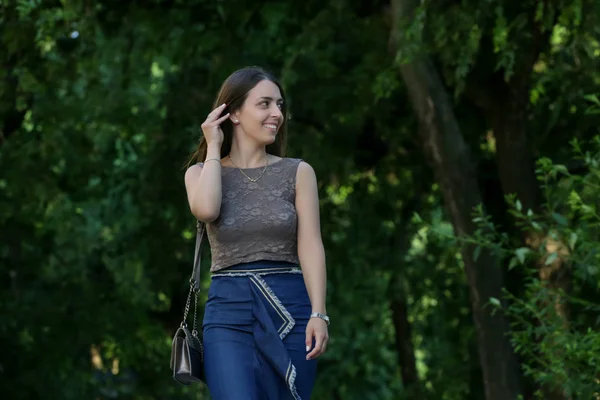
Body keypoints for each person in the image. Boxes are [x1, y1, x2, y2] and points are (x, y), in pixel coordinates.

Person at [184, 66, 329, 400]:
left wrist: (319, 313)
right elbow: (207, 210)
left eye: (280, 104)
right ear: (233, 113)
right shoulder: (199, 173)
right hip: (227, 314)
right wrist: (214, 148)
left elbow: (310, 244)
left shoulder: (298, 172)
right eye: (265, 104)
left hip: (292, 310)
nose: (277, 113)